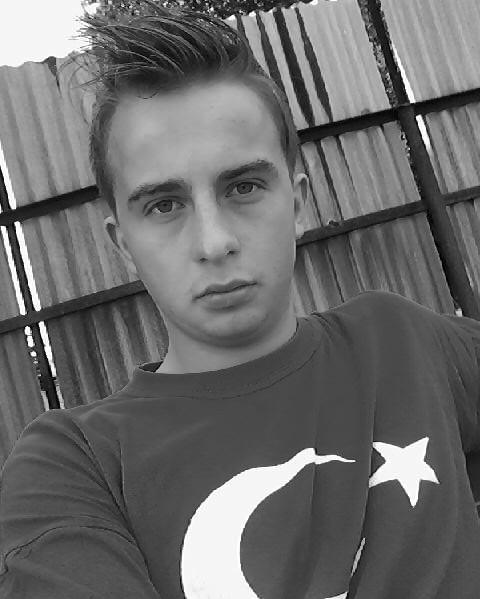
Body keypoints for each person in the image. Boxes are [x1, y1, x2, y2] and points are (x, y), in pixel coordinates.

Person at [1, 2, 480, 597]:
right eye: (164, 205)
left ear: (297, 203)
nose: (215, 242)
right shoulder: (75, 463)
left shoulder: (403, 342)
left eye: (244, 187)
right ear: (123, 244)